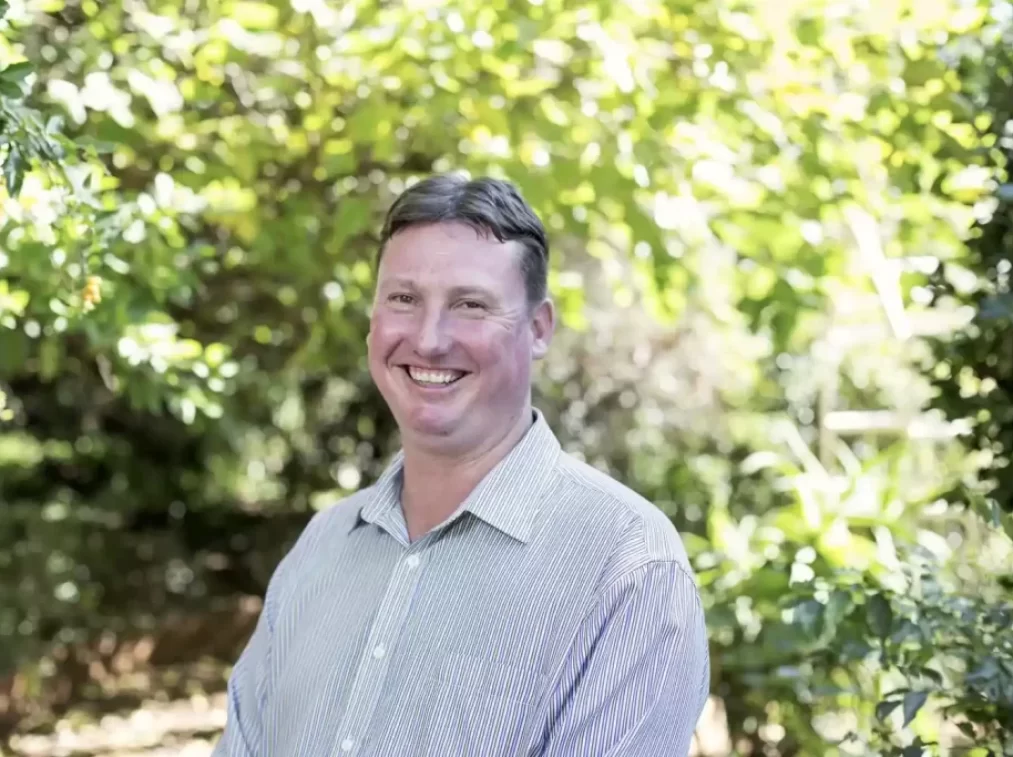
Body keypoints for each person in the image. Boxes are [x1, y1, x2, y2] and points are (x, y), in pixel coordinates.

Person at [213, 174, 710, 756]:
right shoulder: (320, 549)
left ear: (538, 329)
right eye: (403, 299)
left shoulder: (627, 567)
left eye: (470, 305)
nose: (428, 340)